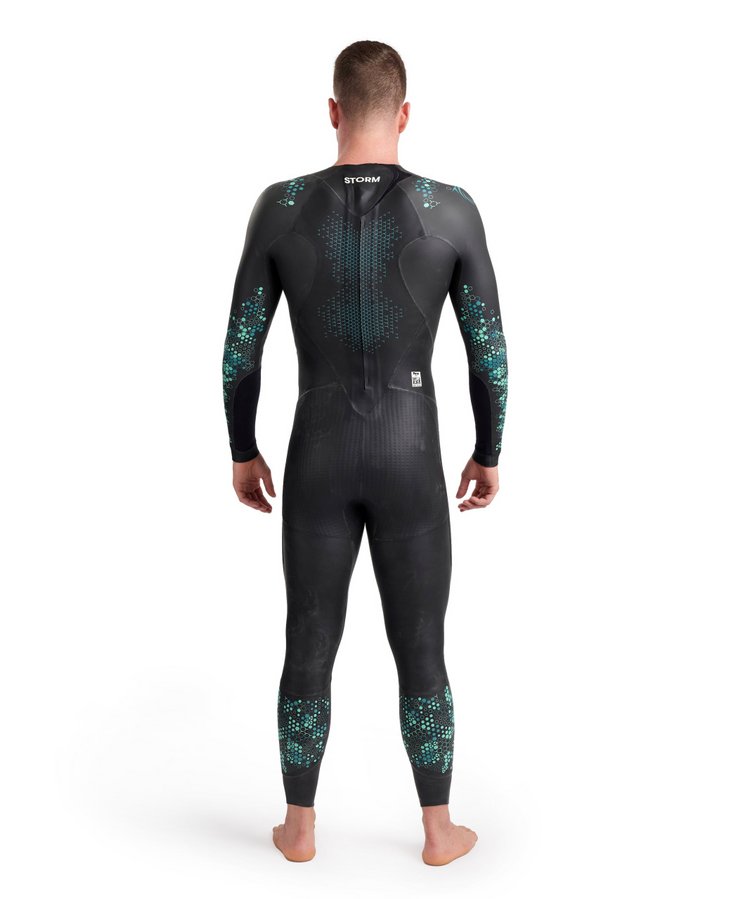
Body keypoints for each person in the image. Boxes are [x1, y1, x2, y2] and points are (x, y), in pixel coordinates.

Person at [222, 40, 508, 866]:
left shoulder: (280, 206)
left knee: (308, 640)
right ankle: (438, 831)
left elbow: (240, 350)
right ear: (405, 114)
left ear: (333, 111)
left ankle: (299, 827)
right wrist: (488, 450)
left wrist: (243, 449)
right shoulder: (451, 209)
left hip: (315, 448)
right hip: (411, 452)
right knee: (422, 646)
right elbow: (489, 353)